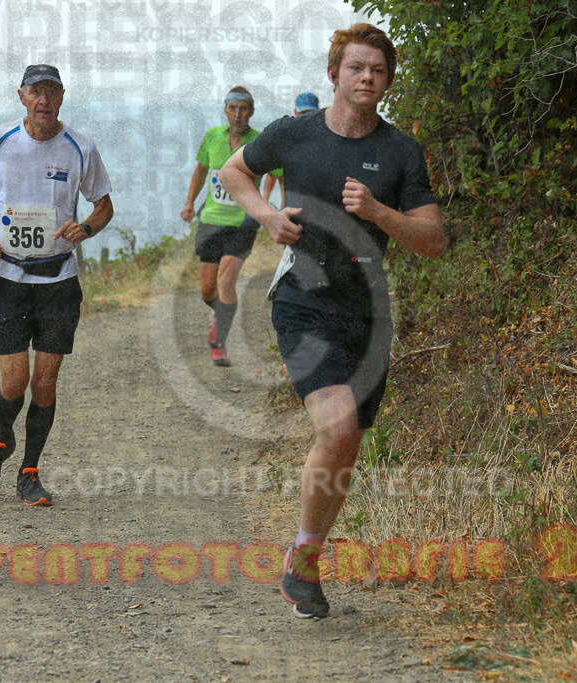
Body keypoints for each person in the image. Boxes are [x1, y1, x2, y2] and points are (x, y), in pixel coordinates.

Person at [220, 25, 445, 617]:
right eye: (355, 68)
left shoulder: (401, 152)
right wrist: (268, 216)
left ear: (388, 82)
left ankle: (304, 560)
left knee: (347, 446)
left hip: (368, 311)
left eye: (377, 70)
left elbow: (433, 241)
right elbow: (232, 173)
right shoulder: (295, 133)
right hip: (302, 300)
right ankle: (303, 558)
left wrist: (378, 212)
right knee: (339, 429)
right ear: (334, 75)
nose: (366, 77)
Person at [0, 64, 114, 506]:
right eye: (36, 91)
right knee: (15, 381)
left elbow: (104, 206)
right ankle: (0, 440)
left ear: (63, 97)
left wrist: (85, 229)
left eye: (51, 92)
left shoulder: (80, 148)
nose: (44, 100)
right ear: (22, 96)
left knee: (45, 382)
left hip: (58, 280)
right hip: (8, 277)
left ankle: (29, 472)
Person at [180, 87, 284, 367]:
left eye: (243, 109)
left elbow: (280, 173)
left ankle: (218, 342)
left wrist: (281, 208)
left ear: (251, 111)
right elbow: (201, 170)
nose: (237, 114)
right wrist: (189, 203)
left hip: (243, 222)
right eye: (232, 108)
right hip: (211, 220)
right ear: (225, 110)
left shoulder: (260, 142)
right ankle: (224, 314)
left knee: (226, 281)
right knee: (207, 290)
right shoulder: (213, 137)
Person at [261, 92, 319, 204]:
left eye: (310, 113)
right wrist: (264, 203)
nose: (306, 118)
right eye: (303, 113)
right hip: (290, 214)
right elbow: (272, 174)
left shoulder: (325, 142)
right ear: (295, 112)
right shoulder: (284, 142)